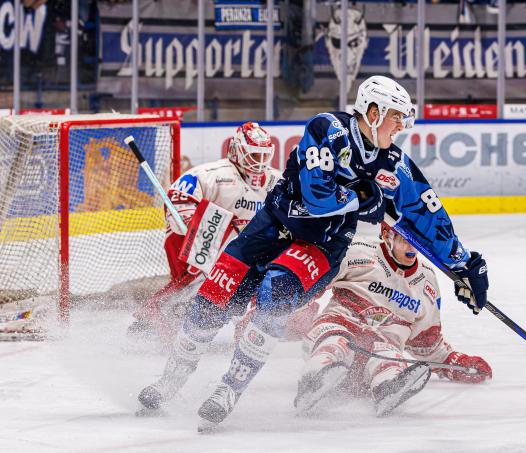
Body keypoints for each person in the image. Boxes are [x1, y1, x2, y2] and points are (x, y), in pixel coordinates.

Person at [137, 75, 490, 430]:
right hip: (271, 227)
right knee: (213, 295)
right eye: (396, 115)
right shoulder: (327, 129)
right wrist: (359, 197)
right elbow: (316, 195)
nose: (401, 125)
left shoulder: (394, 164)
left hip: (322, 244)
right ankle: (171, 380)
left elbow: (426, 213)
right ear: (372, 111)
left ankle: (229, 388)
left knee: (276, 292)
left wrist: (463, 264)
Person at [293, 223, 492, 417]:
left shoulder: (427, 281)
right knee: (335, 342)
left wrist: (453, 362)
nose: (412, 246)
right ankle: (313, 381)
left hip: (375, 356)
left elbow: (426, 341)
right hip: (334, 329)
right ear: (387, 234)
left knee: (391, 357)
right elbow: (309, 282)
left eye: (418, 240)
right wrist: (297, 310)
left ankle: (388, 388)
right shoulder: (357, 251)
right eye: (405, 239)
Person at [127, 122, 281, 342]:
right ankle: (156, 318)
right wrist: (190, 221)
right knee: (205, 278)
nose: (259, 162)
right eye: (253, 155)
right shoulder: (212, 174)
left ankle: (250, 321)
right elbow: (179, 195)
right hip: (200, 242)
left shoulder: (277, 181)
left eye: (263, 155)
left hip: (244, 249)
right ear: (236, 150)